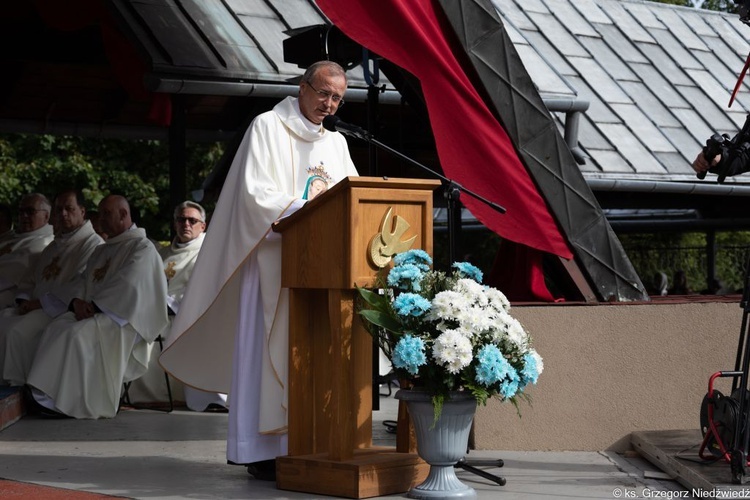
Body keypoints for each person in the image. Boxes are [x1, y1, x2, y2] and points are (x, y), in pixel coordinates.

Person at [159, 60, 359, 478]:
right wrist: (311, 209)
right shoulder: (267, 127)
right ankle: (262, 452)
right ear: (302, 87)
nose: (329, 104)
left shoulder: (337, 146)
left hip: (319, 272)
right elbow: (254, 194)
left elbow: (354, 201)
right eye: (323, 93)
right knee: (267, 355)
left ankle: (307, 443)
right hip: (271, 262)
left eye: (337, 98)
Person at [25, 194, 168, 419]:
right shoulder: (103, 249)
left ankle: (68, 401)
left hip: (122, 319)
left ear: (123, 214)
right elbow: (84, 280)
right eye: (100, 214)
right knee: (57, 326)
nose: (100, 220)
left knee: (74, 334)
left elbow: (130, 285)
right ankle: (47, 394)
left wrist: (95, 306)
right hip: (95, 311)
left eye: (106, 214)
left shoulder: (143, 249)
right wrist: (77, 302)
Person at [127, 201, 227, 411]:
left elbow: (205, 292)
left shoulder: (209, 253)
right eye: (181, 220)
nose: (186, 224)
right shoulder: (162, 254)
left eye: (192, 220)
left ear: (203, 226)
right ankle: (134, 393)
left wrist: (168, 305)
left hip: (189, 316)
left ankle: (200, 397)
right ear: (174, 224)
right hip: (157, 312)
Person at [1, 190, 104, 386]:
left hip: (57, 310)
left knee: (14, 332)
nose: (63, 214)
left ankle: (16, 387)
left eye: (69, 209)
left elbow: (79, 285)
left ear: (82, 211)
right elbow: (31, 280)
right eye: (59, 209)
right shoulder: (54, 245)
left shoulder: (92, 244)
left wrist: (39, 303)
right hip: (33, 306)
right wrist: (23, 300)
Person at [0, 194, 55, 309]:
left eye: (30, 211)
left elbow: (7, 276)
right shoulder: (15, 235)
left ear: (46, 216)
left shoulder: (42, 243)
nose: (24, 216)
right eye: (21, 211)